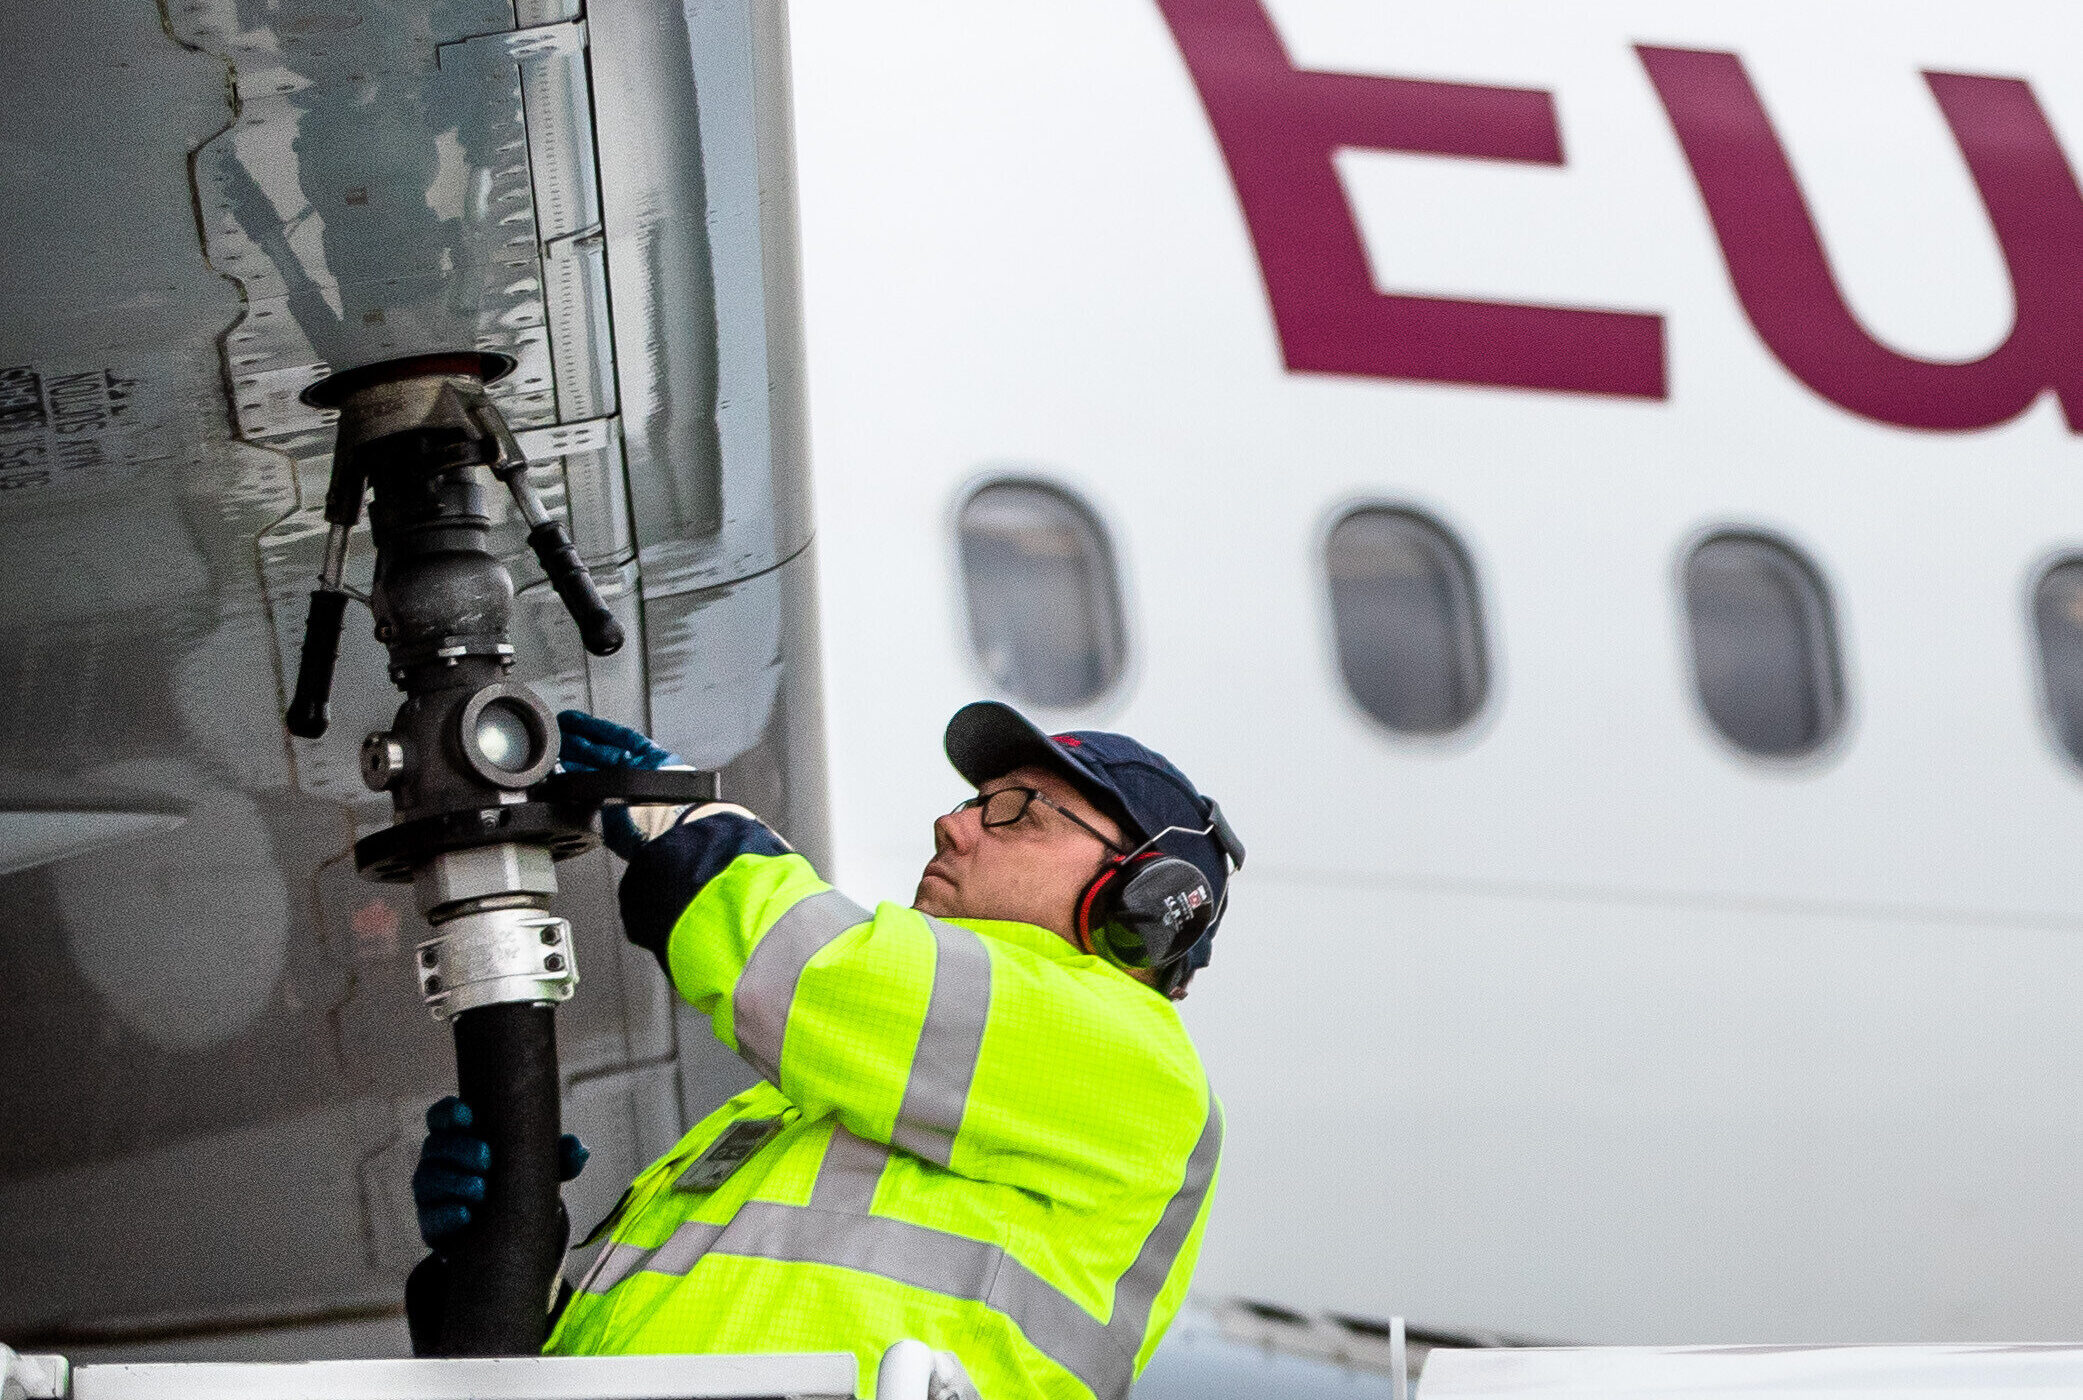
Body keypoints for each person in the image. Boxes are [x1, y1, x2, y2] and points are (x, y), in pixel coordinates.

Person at [410, 700, 1245, 1400]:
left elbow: (804, 967)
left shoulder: (1137, 1066)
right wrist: (507, 1260)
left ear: (1146, 900)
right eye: (969, 800)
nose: (952, 824)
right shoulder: (801, 1110)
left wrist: (688, 820)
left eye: (1016, 809)